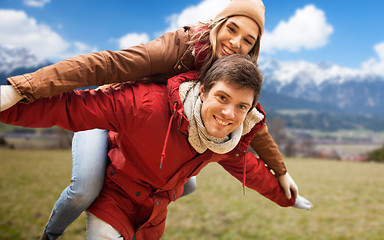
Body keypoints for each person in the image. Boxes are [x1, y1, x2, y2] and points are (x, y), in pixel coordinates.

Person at [0, 0, 299, 239]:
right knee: (85, 189)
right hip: (112, 112)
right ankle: (51, 234)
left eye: (248, 40)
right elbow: (107, 64)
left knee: (187, 185)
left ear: (254, 48)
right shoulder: (180, 48)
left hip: (152, 132)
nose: (236, 42)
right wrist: (22, 89)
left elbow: (251, 119)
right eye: (232, 29)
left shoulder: (235, 76)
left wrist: (280, 171)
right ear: (219, 23)